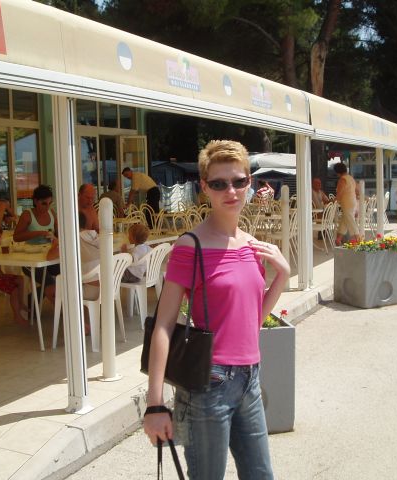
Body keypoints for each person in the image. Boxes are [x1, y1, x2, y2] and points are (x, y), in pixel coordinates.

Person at [143, 140, 290, 479]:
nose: (231, 191)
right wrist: (155, 404)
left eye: (239, 181)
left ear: (250, 182)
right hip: (208, 382)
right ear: (205, 187)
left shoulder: (251, 244)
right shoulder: (190, 246)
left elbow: (253, 319)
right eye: (220, 183)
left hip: (250, 378)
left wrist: (282, 276)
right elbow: (164, 325)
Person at [45, 212, 99, 334]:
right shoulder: (95, 235)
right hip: (106, 287)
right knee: (77, 283)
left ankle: (79, 324)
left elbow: (49, 257)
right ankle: (82, 320)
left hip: (91, 290)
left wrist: (55, 244)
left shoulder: (73, 239)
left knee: (50, 290)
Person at [333, 162, 360, 245]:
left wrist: (334, 200)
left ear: (337, 172)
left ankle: (358, 240)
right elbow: (357, 190)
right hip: (353, 201)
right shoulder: (350, 178)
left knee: (351, 222)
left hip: (347, 203)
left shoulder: (342, 179)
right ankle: (338, 239)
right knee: (344, 221)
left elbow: (340, 193)